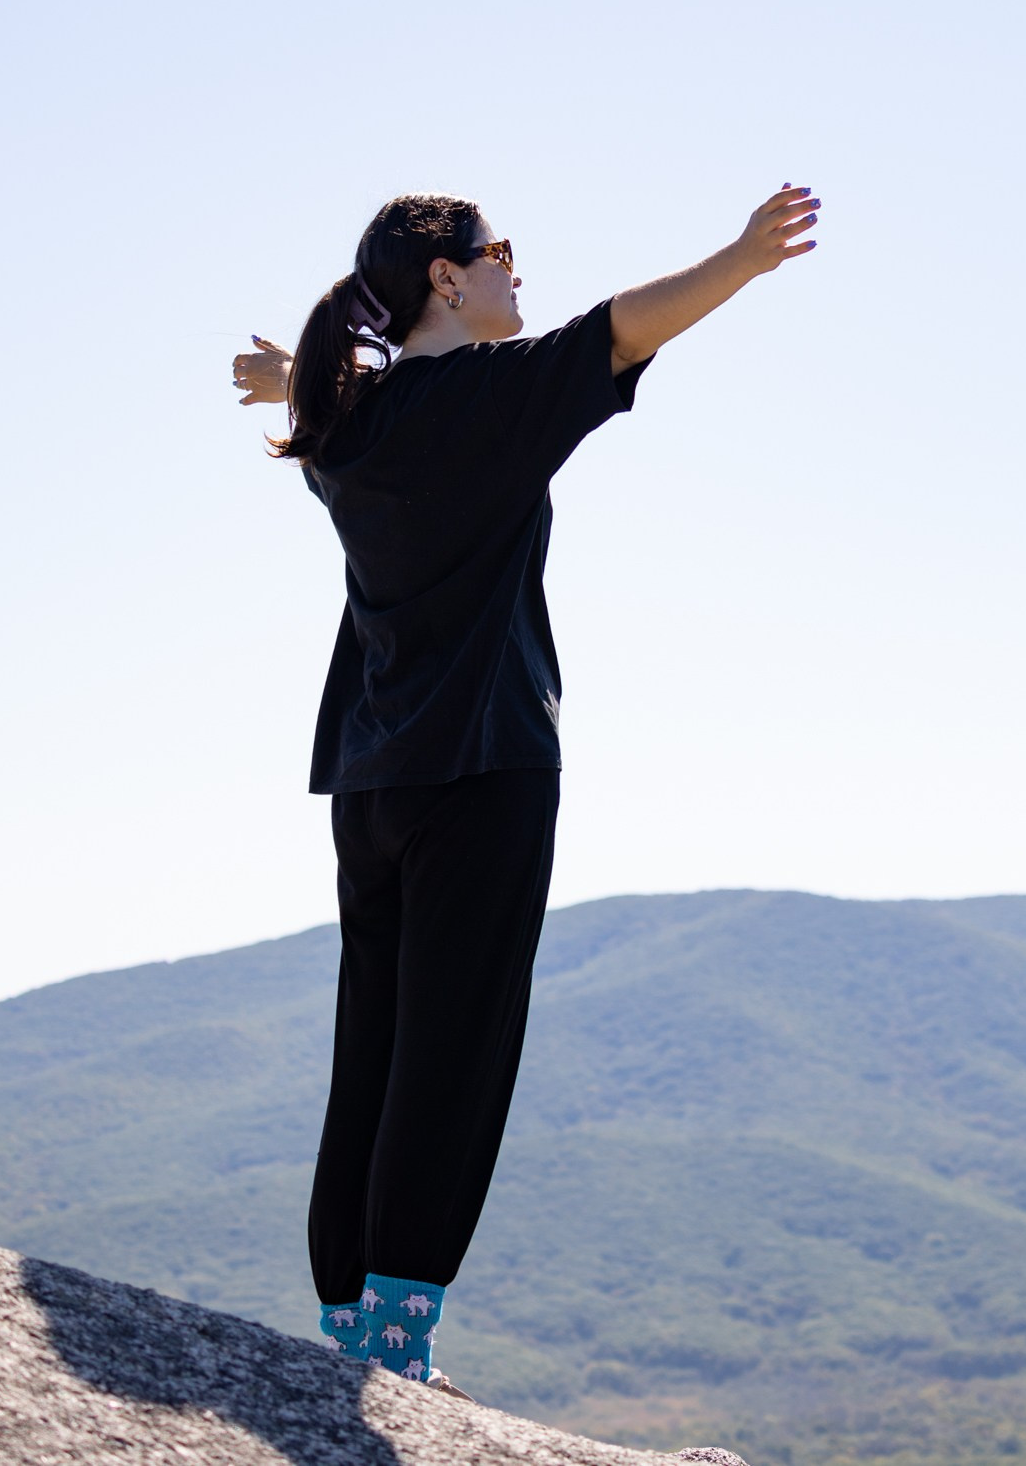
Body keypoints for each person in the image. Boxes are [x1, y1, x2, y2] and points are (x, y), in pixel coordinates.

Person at [231, 185, 820, 1396]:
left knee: (372, 1045)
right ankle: (397, 1340)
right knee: (453, 1051)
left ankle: (346, 1319)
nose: (515, 270)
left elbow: (349, 397)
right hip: (484, 766)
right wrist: (742, 258)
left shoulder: (346, 426)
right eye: (496, 252)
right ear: (445, 280)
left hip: (371, 784)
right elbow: (622, 326)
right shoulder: (490, 396)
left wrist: (288, 378)